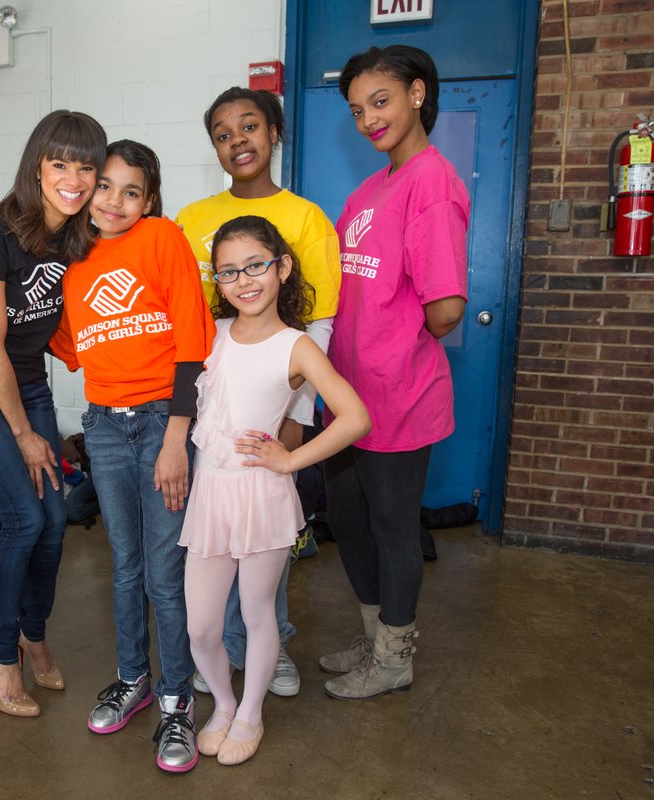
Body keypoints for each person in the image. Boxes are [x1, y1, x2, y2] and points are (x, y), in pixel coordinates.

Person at [0, 110, 107, 718]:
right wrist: (27, 434)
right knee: (24, 520)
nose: (74, 178)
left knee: (55, 521)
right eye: (60, 164)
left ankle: (33, 635)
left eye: (86, 166)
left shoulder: (79, 233)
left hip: (26, 382)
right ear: (38, 165)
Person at [50, 140, 215, 771]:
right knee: (123, 567)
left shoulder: (161, 239)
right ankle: (134, 679)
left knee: (162, 573)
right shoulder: (75, 259)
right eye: (105, 187)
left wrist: (176, 438)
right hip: (102, 427)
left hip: (158, 425)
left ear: (150, 199)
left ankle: (176, 701)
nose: (115, 202)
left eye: (131, 191)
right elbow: (70, 343)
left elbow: (191, 346)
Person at [181, 215, 369, 766]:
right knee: (201, 625)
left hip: (262, 497)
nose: (244, 280)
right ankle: (222, 704)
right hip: (211, 496)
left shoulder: (297, 346)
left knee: (258, 612)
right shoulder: (211, 334)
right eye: (229, 271)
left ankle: (250, 714)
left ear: (282, 268)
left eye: (256, 266)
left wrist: (289, 459)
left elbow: (354, 416)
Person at [175, 87, 343, 697]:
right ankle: (220, 648)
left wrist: (295, 420)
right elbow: (186, 327)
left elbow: (316, 324)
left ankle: (272, 646)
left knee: (267, 536)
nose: (237, 140)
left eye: (250, 126)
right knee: (217, 538)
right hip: (210, 407)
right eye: (223, 133)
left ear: (275, 133)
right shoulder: (191, 219)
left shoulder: (307, 218)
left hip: (275, 406)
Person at [319, 45, 469, 701]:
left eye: (379, 102)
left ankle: (395, 657)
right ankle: (375, 632)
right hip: (348, 397)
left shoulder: (431, 183)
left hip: (398, 399)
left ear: (416, 93)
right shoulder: (369, 189)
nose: (368, 119)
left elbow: (446, 309)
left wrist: (390, 334)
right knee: (348, 519)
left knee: (392, 527)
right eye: (356, 110)